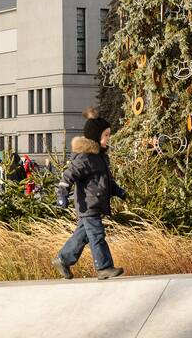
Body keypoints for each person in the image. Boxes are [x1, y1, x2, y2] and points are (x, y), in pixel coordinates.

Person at [53, 107, 126, 280]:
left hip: (95, 203)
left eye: (109, 135)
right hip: (88, 204)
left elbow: (106, 181)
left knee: (82, 235)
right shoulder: (85, 157)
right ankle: (104, 267)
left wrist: (118, 191)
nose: (108, 138)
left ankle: (62, 259)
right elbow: (69, 175)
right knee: (97, 235)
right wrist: (62, 194)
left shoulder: (100, 157)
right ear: (96, 136)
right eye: (106, 135)